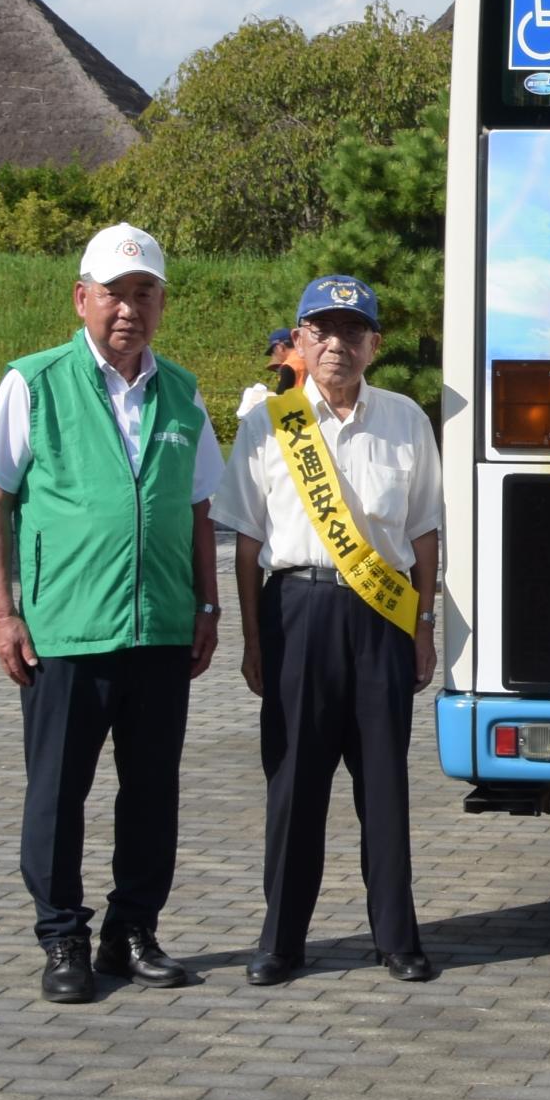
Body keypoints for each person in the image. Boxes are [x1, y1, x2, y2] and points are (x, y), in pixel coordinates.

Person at [0, 222, 226, 1005]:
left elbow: (196, 510)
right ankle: (62, 938)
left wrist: (207, 603)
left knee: (151, 791)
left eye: (144, 293)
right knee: (57, 792)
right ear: (82, 298)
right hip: (65, 632)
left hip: (160, 628)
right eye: (113, 293)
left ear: (162, 303)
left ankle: (132, 931)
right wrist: (3, 615)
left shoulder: (182, 392)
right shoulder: (35, 382)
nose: (128, 309)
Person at [214, 274, 444, 985]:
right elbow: (248, 544)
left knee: (383, 786)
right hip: (297, 615)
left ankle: (396, 938)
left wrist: (425, 625)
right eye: (322, 330)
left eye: (352, 331)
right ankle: (280, 941)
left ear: (373, 343)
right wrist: (253, 642)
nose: (337, 344)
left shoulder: (406, 418)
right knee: (293, 787)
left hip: (380, 618)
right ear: (299, 341)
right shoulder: (267, 421)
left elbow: (425, 531)